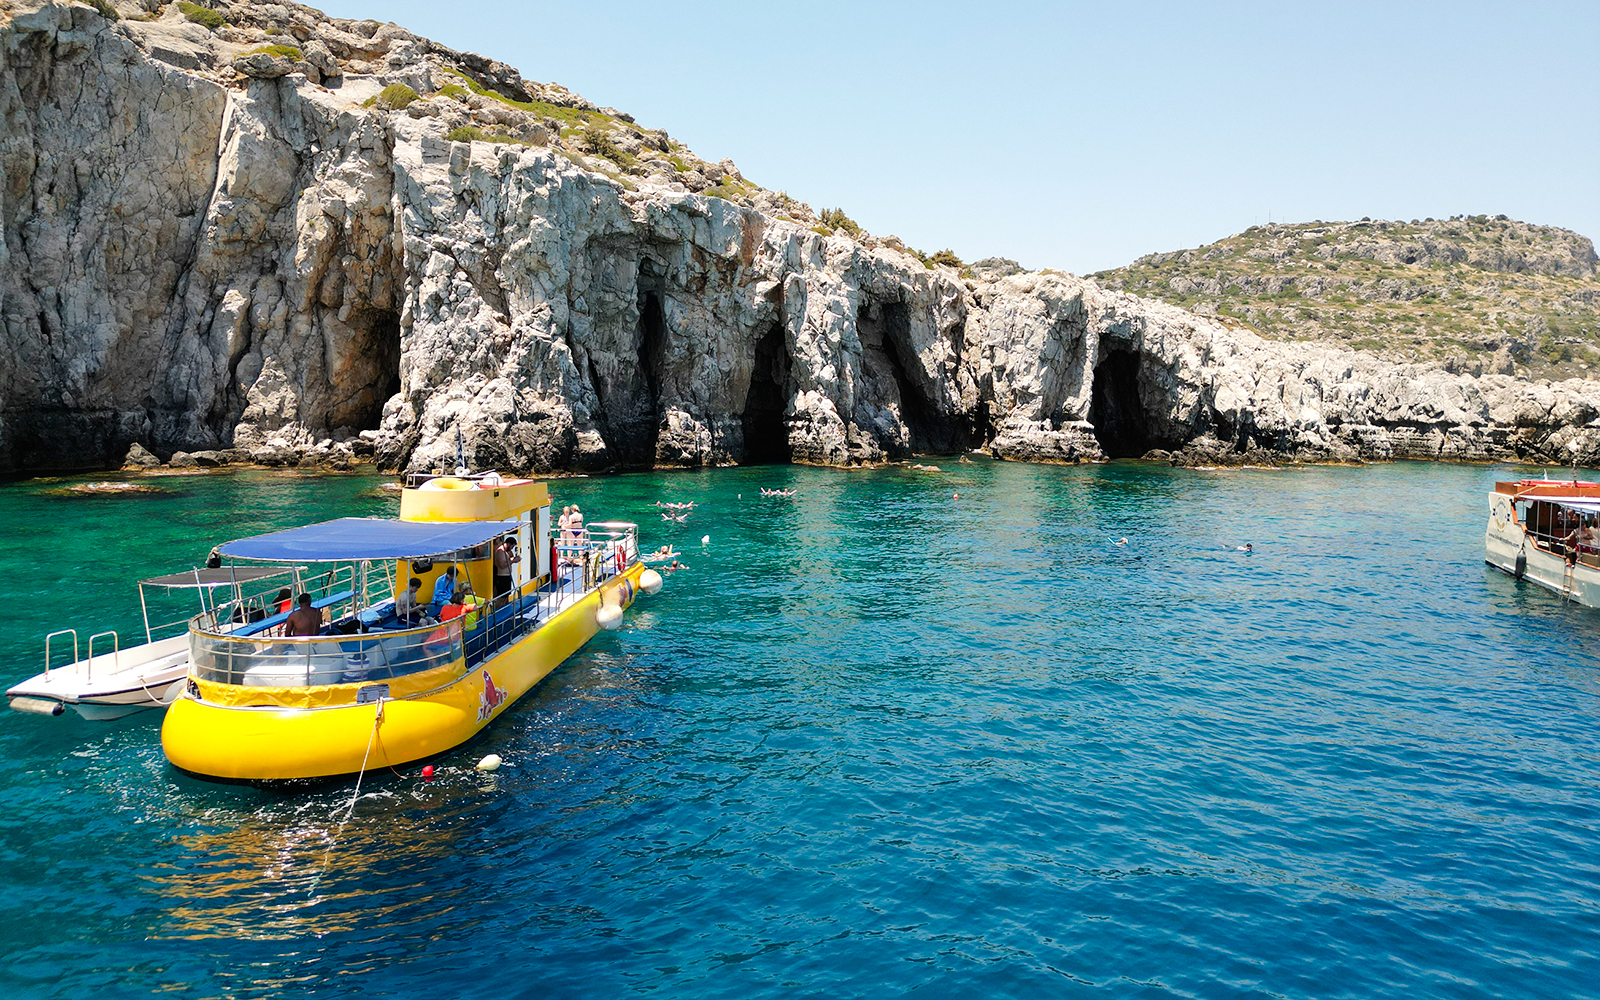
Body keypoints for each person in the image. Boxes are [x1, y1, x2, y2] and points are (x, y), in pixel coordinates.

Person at [494, 534, 519, 602]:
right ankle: (498, 610)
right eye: (512, 546)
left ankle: (504, 608)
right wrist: (513, 560)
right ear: (508, 544)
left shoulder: (507, 551)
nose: (512, 549)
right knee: (502, 596)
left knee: (507, 595)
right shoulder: (500, 551)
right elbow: (502, 565)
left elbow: (511, 558)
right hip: (502, 576)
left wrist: (513, 557)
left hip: (507, 576)